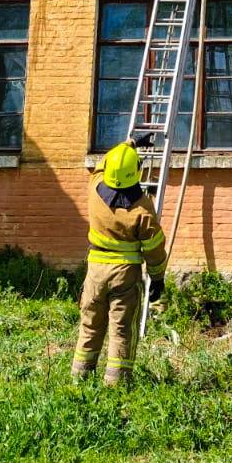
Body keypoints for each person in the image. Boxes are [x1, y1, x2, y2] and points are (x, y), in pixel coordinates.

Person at [71, 138, 168, 386]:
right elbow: (154, 250)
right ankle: (117, 384)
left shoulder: (95, 186)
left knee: (90, 325)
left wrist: (129, 143)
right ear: (136, 172)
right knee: (122, 330)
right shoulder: (142, 210)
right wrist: (158, 279)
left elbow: (104, 162)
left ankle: (80, 378)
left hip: (95, 273)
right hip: (125, 276)